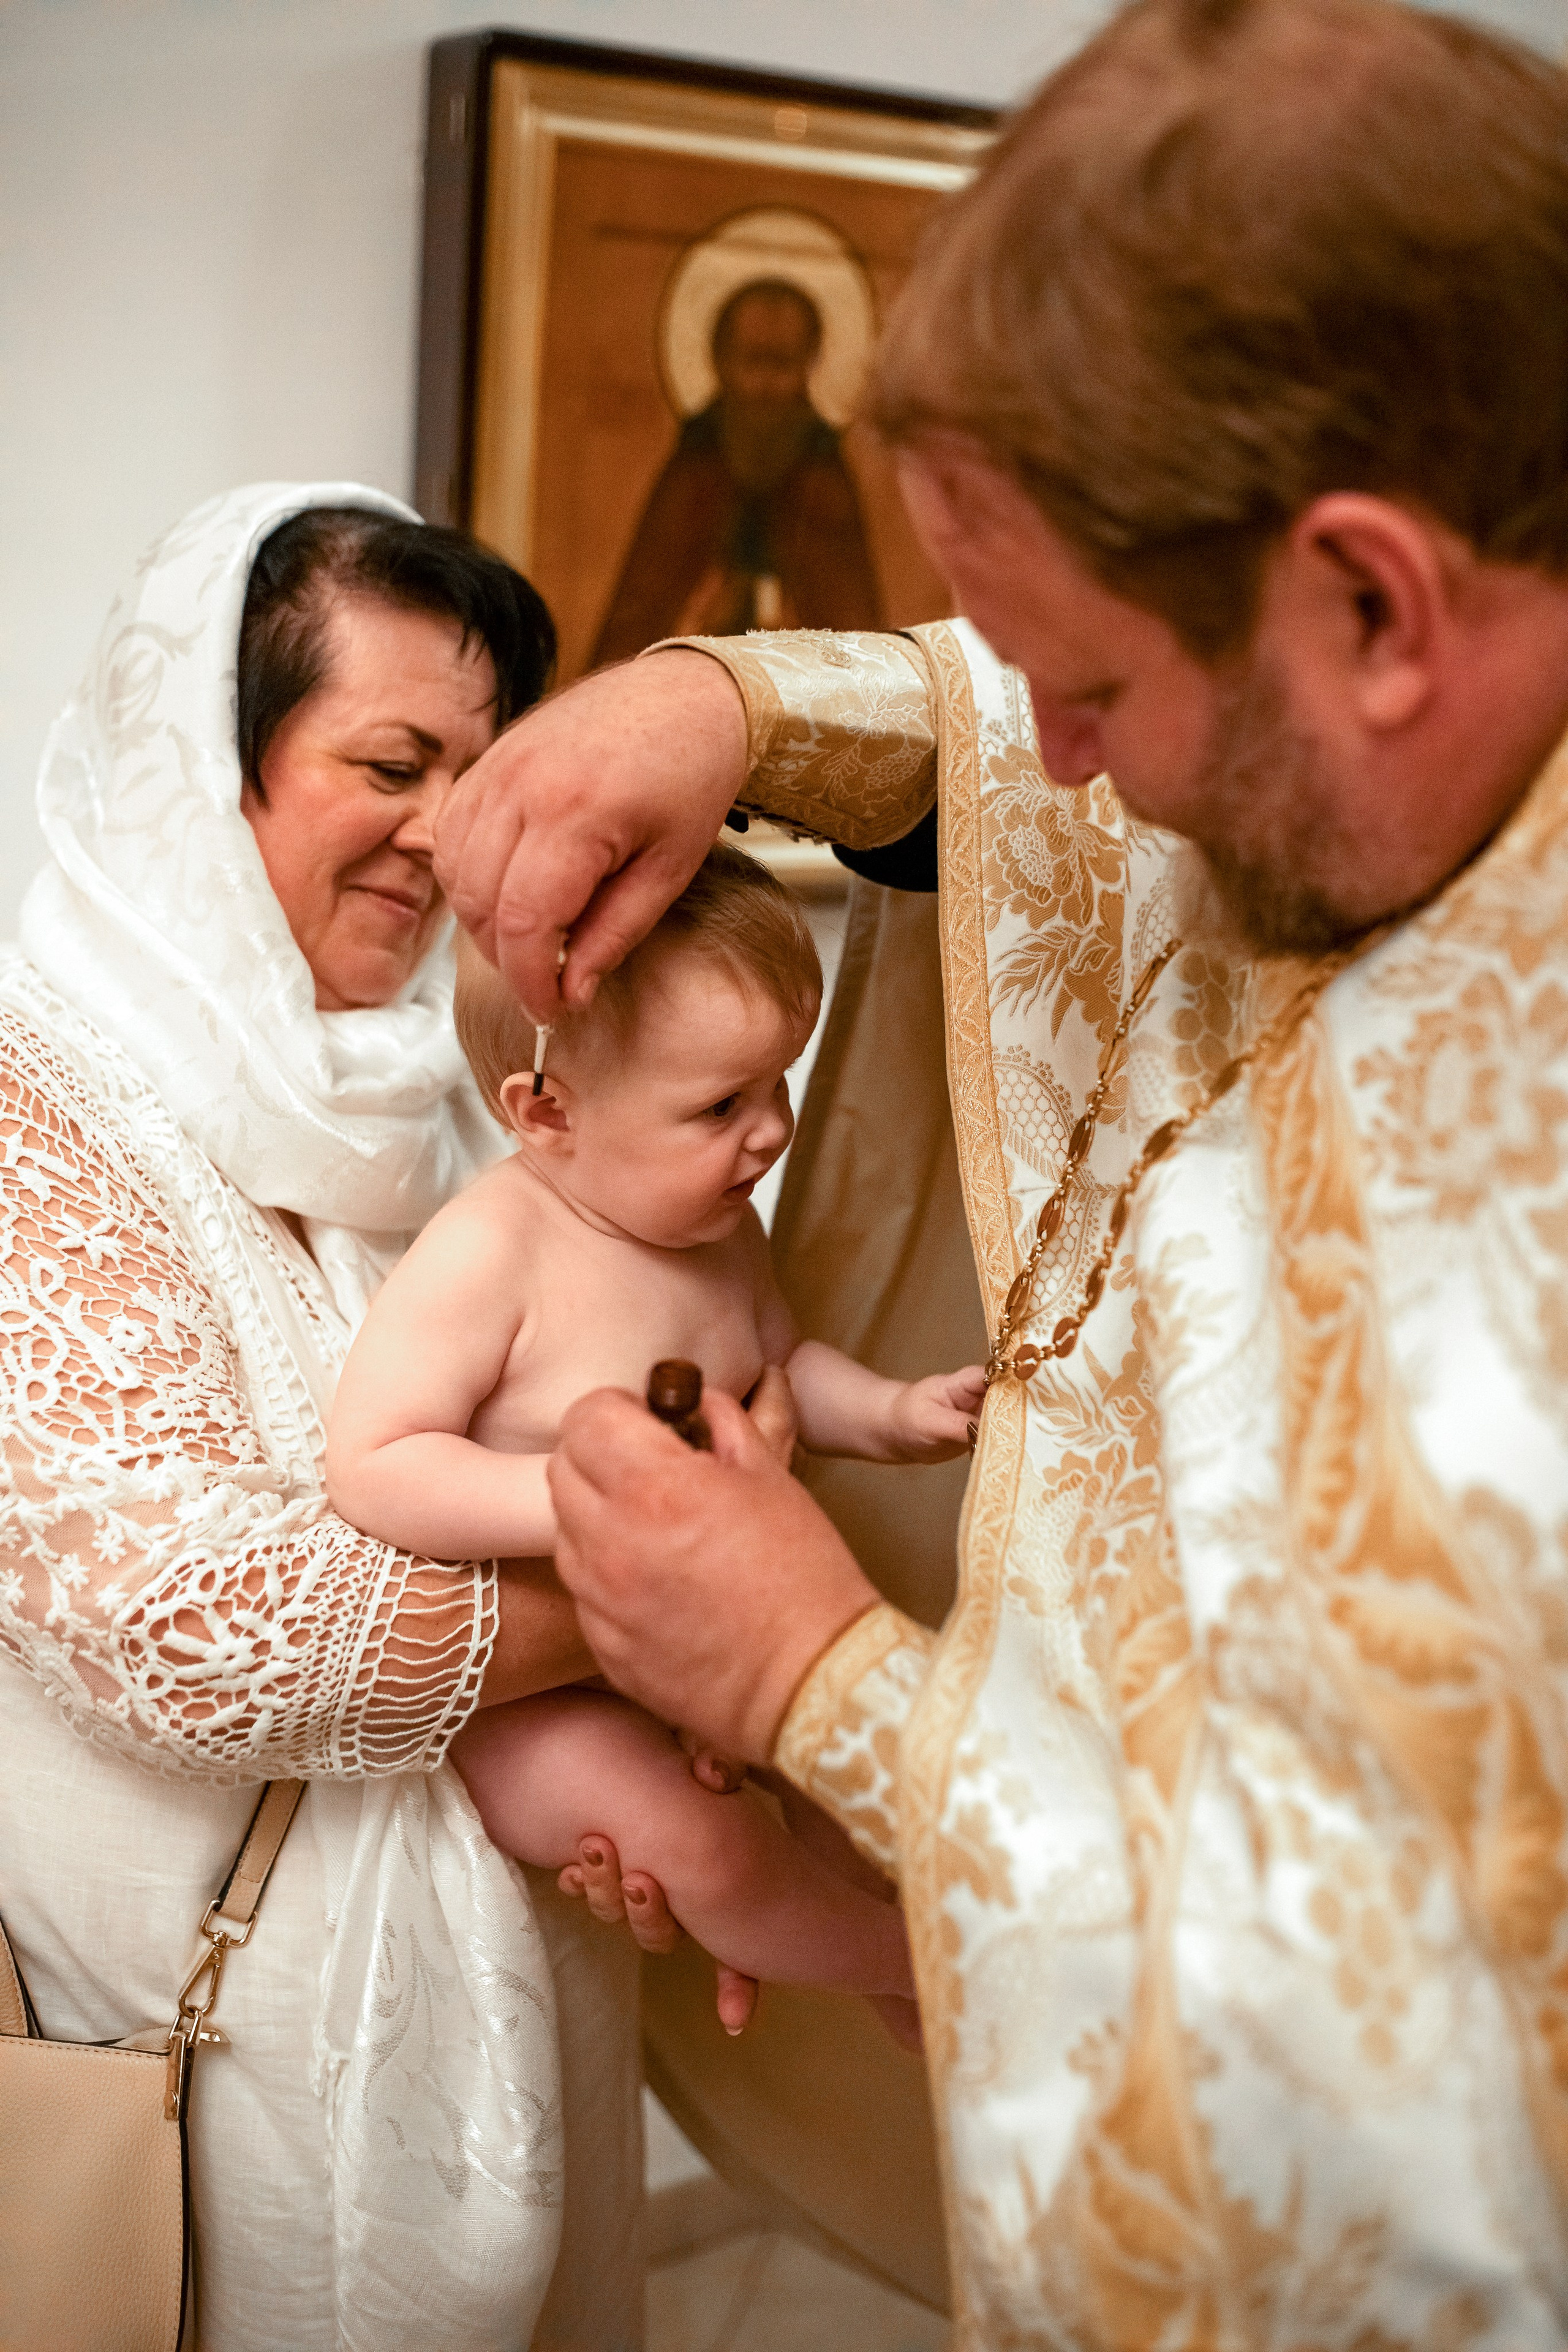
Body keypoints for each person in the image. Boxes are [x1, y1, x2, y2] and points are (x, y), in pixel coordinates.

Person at [433, 0, 1568, 2341]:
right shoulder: (1387, 711)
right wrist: (726, 705)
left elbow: (1374, 2113)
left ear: (1371, 602)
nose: (1047, 765)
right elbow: (1021, 740)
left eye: (1090, 689)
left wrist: (810, 1677)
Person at [0, 482, 695, 2352]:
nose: (446, 833)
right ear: (200, 765)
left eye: (482, 773)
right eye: (390, 759)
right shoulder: (32, 1101)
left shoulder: (449, 1100)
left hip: (526, 2058)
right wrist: (672, 1603)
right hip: (214, 2099)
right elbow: (184, 1622)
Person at [325, 843, 984, 2046]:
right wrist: (589, 1502)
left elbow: (777, 1371)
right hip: (536, 1704)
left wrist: (892, 1413)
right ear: (546, 1112)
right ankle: (923, 1964)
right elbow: (373, 1463)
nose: (771, 1133)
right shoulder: (492, 1252)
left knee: (868, 1786)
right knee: (702, 1845)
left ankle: (927, 1992)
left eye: (777, 1084)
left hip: (697, 1643)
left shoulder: (712, 1226)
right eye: (719, 1106)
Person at [589, 278, 882, 665]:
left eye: (784, 363)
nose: (767, 383)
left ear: (811, 363)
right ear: (721, 360)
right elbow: (638, 620)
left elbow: (856, 639)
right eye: (754, 360)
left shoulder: (822, 479)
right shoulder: (694, 472)